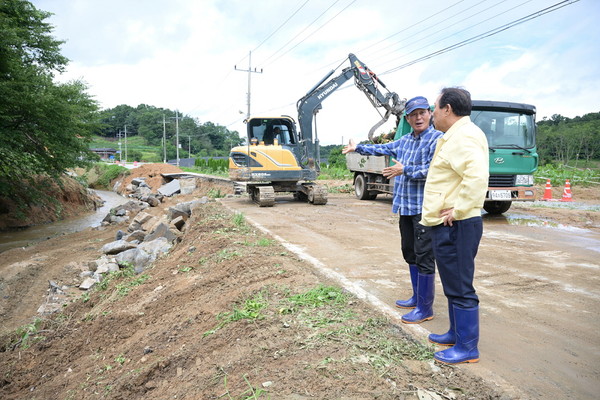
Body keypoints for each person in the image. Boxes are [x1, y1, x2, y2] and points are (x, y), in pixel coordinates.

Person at [343, 96, 443, 324]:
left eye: (422, 113)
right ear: (407, 118)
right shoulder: (405, 140)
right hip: (405, 207)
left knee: (425, 256)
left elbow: (434, 170)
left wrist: (404, 170)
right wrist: (357, 147)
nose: (418, 118)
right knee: (409, 252)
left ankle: (425, 308)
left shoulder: (437, 139)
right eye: (413, 115)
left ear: (429, 114)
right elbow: (382, 148)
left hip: (424, 208)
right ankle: (417, 297)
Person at [420, 87, 489, 364]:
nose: (433, 113)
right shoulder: (456, 135)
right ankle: (456, 333)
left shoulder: (464, 136)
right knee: (452, 280)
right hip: (449, 222)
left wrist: (458, 210)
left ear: (447, 109)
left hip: (457, 223)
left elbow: (477, 176)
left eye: (435, 108)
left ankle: (468, 347)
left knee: (460, 284)